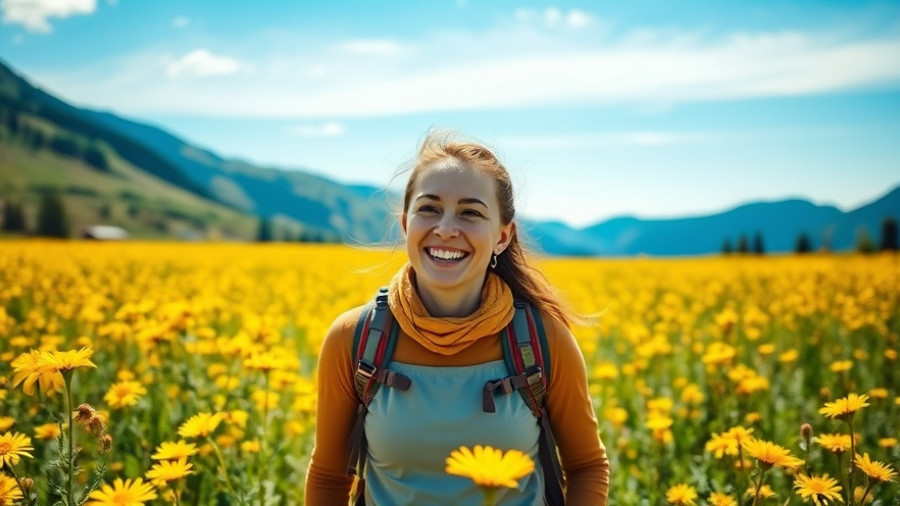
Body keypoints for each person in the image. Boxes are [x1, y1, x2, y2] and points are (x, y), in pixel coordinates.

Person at [305, 131, 610, 505]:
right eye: (429, 208)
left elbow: (587, 466)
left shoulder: (542, 338)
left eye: (470, 212)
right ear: (406, 225)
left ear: (502, 236)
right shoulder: (354, 338)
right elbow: (328, 477)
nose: (446, 229)